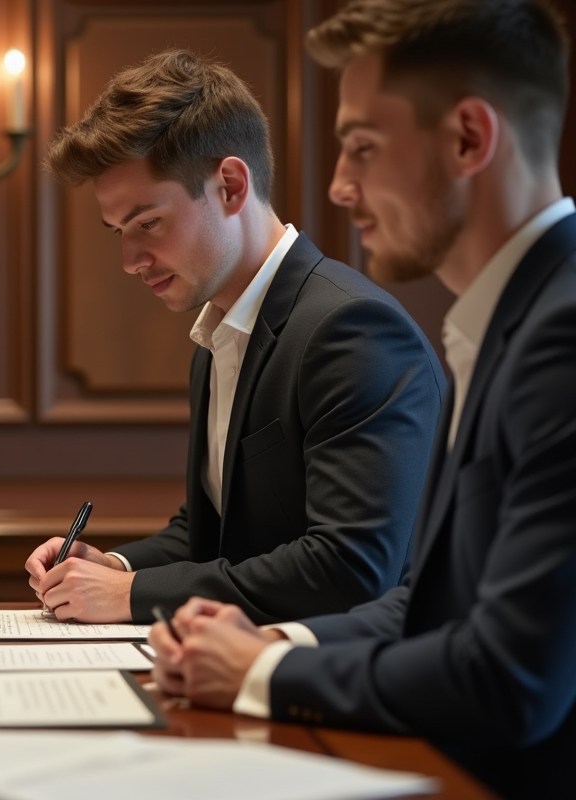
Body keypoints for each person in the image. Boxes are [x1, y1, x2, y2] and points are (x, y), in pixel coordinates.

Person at [149, 1, 576, 797]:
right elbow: (430, 604)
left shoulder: (562, 336)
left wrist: (268, 672)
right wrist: (267, 639)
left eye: (363, 149)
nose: (340, 189)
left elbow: (511, 681)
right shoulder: (502, 323)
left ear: (468, 139)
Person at [25, 48, 444, 625]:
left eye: (147, 223)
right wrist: (116, 569)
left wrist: (133, 597)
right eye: (118, 231)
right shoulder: (219, 332)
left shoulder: (352, 331)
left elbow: (350, 569)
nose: (129, 259)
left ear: (229, 185)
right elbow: (217, 533)